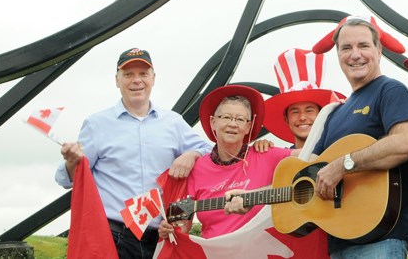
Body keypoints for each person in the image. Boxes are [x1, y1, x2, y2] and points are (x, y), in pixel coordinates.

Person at [55, 48, 211, 259]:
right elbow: (67, 178)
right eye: (128, 74)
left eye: (143, 74)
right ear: (117, 80)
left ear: (153, 79)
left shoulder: (173, 122)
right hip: (114, 239)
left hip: (162, 238)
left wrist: (192, 154)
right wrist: (72, 161)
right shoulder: (97, 124)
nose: (136, 80)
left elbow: (211, 152)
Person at [307, 15, 408, 259]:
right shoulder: (335, 113)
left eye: (363, 46)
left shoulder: (390, 90)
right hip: (339, 241)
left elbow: (407, 142)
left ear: (379, 51)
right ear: (337, 55)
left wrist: (344, 164)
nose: (355, 54)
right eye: (346, 48)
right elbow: (307, 172)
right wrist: (251, 198)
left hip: (381, 240)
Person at [158, 84, 296, 240]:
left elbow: (314, 159)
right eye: (226, 117)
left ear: (248, 127)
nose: (233, 124)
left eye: (240, 119)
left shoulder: (267, 154)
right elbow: (182, 227)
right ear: (213, 122)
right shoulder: (196, 169)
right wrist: (168, 230)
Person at [263, 48, 345, 149]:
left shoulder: (340, 154)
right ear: (286, 119)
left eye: (309, 110)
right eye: (295, 112)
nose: (302, 117)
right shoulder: (278, 160)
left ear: (321, 115)